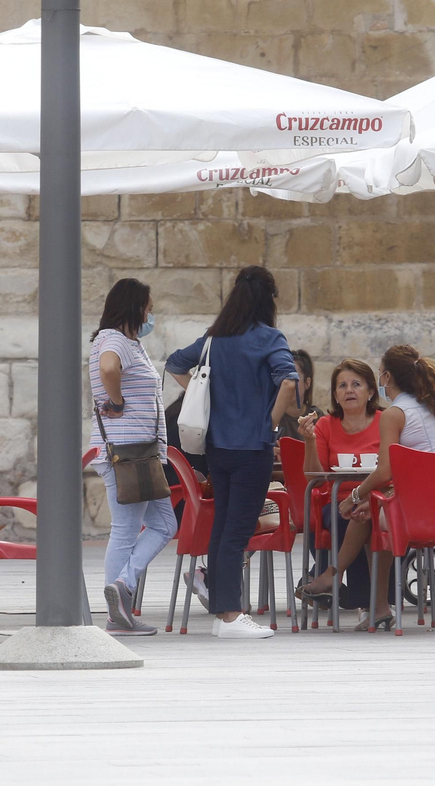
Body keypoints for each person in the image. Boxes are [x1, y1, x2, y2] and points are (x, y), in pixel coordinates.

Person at [166, 266, 300, 640]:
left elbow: (175, 362)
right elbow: (288, 381)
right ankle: (231, 616)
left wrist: (204, 392)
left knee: (223, 526)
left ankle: (223, 611)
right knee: (238, 531)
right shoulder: (269, 338)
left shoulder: (214, 339)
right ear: (268, 300)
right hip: (251, 447)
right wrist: (270, 425)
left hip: (216, 447)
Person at [320, 344, 435, 631]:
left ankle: (335, 576)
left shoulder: (396, 414)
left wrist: (354, 496)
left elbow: (385, 471)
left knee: (366, 510)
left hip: (422, 512)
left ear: (385, 379)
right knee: (371, 509)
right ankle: (378, 605)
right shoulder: (433, 409)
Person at [88, 278, 173, 636]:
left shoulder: (128, 343)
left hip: (139, 451)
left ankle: (122, 588)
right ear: (134, 308)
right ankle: (118, 609)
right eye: (148, 309)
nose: (150, 316)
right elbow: (109, 368)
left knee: (164, 524)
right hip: (128, 451)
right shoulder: (114, 340)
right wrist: (118, 401)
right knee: (125, 529)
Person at [291, 359, 384, 612]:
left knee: (366, 513)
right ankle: (364, 599)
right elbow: (315, 478)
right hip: (337, 500)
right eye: (342, 386)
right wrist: (309, 440)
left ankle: (338, 580)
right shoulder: (326, 425)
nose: (349, 390)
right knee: (347, 515)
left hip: (378, 498)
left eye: (356, 384)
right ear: (335, 394)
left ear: (371, 391)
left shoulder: (385, 421)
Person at [276, 349, 316, 441]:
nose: (288, 384)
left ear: (307, 383)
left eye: (294, 377)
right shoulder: (271, 416)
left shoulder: (316, 418)